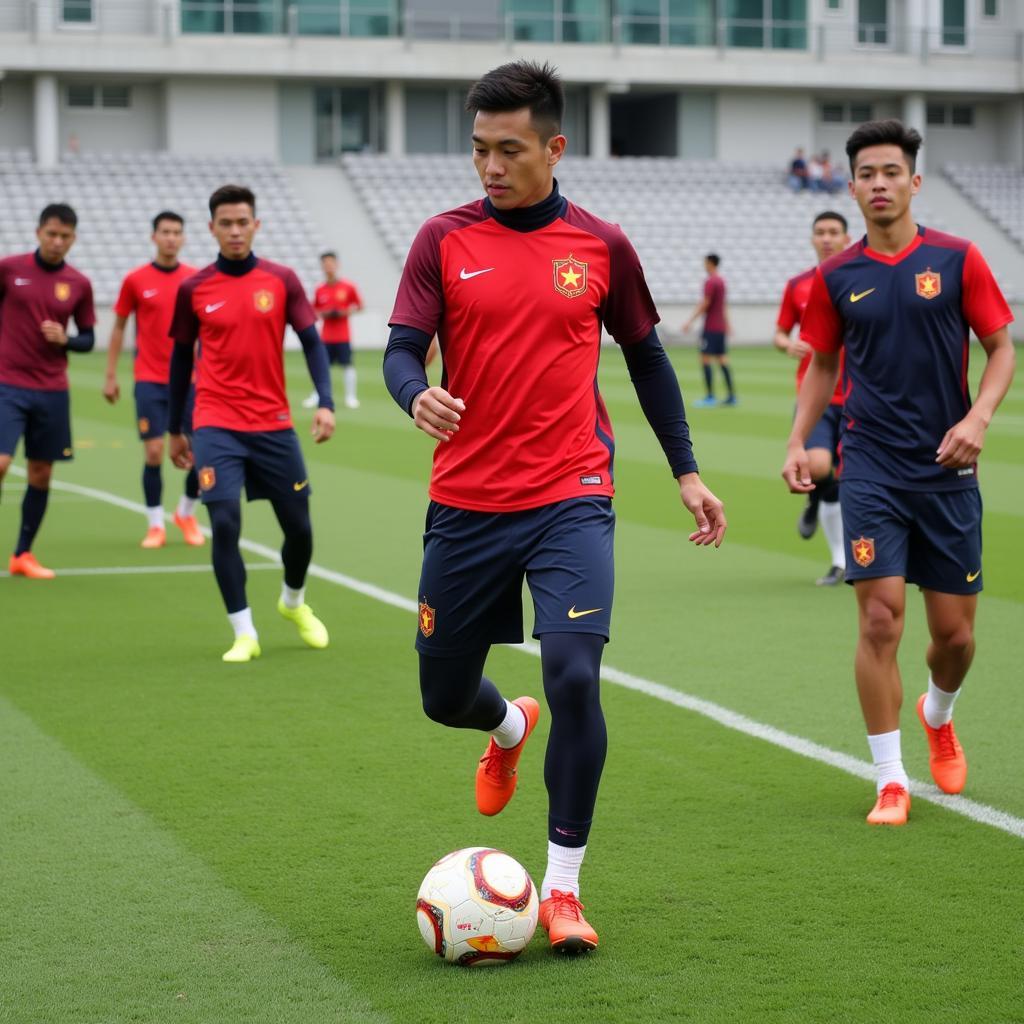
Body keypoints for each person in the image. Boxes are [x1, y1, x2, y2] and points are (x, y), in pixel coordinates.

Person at [384, 60, 726, 953]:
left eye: (508, 150)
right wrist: (414, 392)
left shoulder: (601, 246)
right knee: (441, 695)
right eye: (478, 150)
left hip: (572, 492)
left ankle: (565, 889)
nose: (490, 167)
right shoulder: (440, 240)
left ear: (554, 147)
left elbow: (648, 359)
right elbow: (399, 350)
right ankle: (505, 724)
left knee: (575, 674)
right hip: (466, 500)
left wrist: (686, 471)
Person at [782, 120, 1015, 826]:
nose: (879, 184)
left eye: (891, 172)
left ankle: (937, 713)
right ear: (849, 185)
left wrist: (977, 420)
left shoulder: (958, 258)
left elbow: (1002, 349)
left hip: (946, 470)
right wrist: (798, 438)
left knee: (956, 638)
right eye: (866, 173)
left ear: (914, 182)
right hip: (871, 467)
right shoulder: (836, 276)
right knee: (880, 616)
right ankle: (890, 779)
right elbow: (823, 365)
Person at [167, 185, 336, 663]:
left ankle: (293, 602)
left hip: (274, 425)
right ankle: (243, 632)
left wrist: (326, 402)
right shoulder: (193, 288)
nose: (236, 231)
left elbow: (312, 343)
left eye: (243, 222)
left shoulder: (281, 281)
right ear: (212, 228)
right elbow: (180, 363)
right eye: (226, 223)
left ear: (256, 225)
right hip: (215, 423)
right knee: (224, 521)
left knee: (299, 530)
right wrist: (176, 428)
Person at [0, 203, 95, 579]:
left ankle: (23, 554)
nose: (57, 242)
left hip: (53, 390)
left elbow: (87, 338)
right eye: (52, 234)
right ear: (39, 232)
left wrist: (66, 339)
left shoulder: (79, 283)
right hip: (8, 384)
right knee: (2, 464)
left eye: (65, 236)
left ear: (73, 238)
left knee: (40, 473)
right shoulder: (10, 269)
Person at [104, 211, 203, 548]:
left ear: (184, 237)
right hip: (149, 379)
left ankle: (186, 513)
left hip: (190, 381)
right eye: (165, 232)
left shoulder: (195, 279)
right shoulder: (135, 280)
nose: (171, 238)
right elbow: (118, 327)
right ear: (154, 237)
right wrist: (110, 374)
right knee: (154, 452)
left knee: (198, 453)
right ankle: (156, 524)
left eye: (177, 232)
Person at [774, 210, 851, 585]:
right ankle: (817, 496)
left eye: (833, 232)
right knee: (819, 469)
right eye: (820, 232)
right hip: (816, 396)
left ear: (846, 237)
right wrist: (788, 344)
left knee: (849, 478)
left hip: (859, 397)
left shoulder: (863, 279)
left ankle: (842, 562)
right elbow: (780, 332)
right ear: (812, 238)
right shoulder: (800, 285)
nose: (826, 238)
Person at [302, 251, 363, 411]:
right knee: (321, 366)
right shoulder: (319, 288)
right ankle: (316, 395)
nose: (328, 267)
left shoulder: (348, 287)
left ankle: (351, 397)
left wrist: (344, 312)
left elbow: (359, 306)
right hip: (326, 336)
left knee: (347, 365)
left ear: (337, 265)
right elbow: (313, 309)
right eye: (325, 264)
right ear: (322, 266)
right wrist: (326, 313)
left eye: (331, 263)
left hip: (343, 335)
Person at [682, 253, 735, 407]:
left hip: (711, 327)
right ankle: (731, 396)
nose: (704, 265)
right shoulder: (722, 281)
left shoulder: (711, 282)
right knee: (722, 358)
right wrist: (727, 324)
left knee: (705, 358)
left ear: (711, 263)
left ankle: (710, 396)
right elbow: (723, 305)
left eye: (705, 263)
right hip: (720, 327)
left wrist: (690, 321)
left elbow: (705, 303)